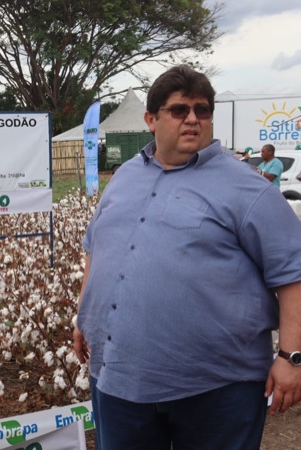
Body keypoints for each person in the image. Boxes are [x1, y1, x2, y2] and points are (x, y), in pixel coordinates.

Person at [73, 65, 301, 450]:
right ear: (151, 119)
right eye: (179, 110)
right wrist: (84, 315)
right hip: (120, 378)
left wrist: (291, 358)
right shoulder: (125, 177)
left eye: (203, 110)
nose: (193, 118)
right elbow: (98, 247)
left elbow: (292, 275)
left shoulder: (248, 188)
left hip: (216, 390)